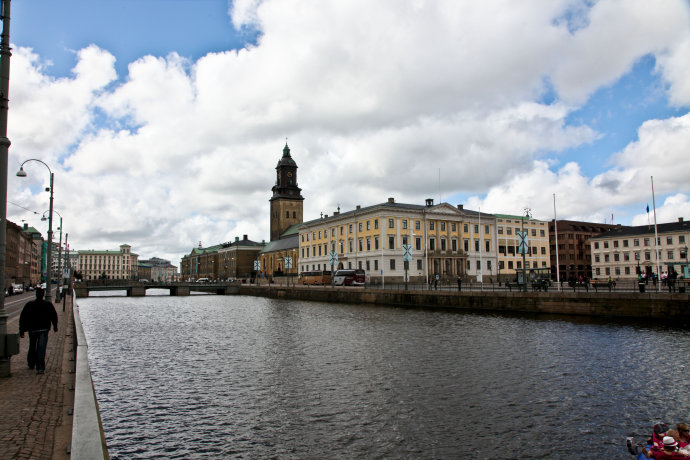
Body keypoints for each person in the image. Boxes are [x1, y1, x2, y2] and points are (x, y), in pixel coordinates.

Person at [19, 288, 58, 374]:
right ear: (43, 295)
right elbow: (54, 316)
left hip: (32, 330)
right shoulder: (48, 305)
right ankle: (40, 367)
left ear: (36, 294)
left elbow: (23, 317)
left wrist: (21, 330)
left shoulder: (29, 304)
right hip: (44, 329)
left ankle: (31, 363)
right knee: (41, 348)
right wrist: (55, 326)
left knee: (32, 346)